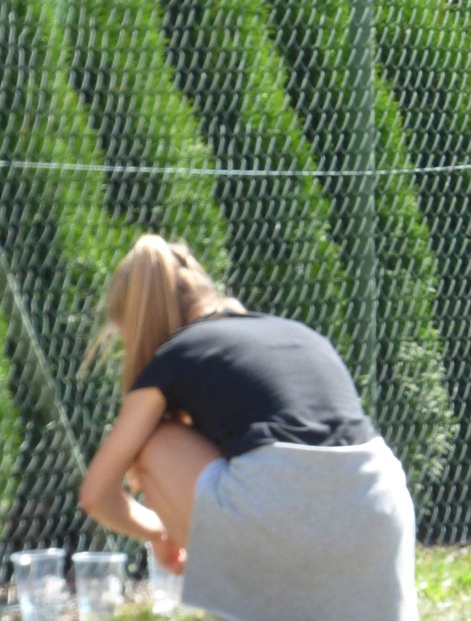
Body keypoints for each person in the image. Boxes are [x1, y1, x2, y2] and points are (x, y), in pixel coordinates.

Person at [78, 235, 418, 621]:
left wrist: (160, 531)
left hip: (284, 514)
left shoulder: (174, 357)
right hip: (382, 514)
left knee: (156, 440)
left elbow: (96, 494)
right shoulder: (297, 333)